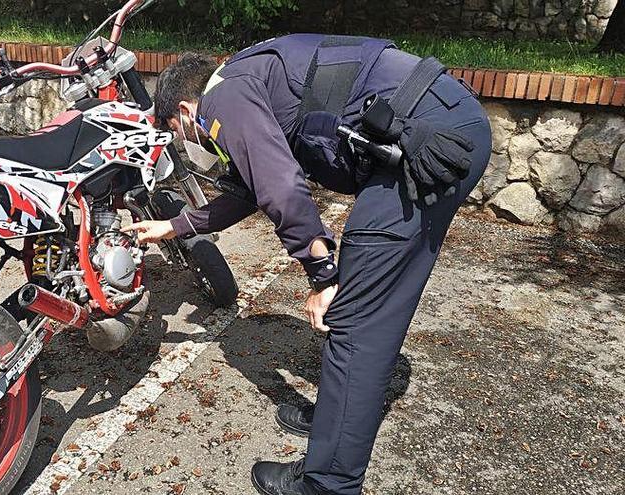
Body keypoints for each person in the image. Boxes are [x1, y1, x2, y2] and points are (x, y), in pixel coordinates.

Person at [123, 34, 491, 495]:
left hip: (432, 139)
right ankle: (336, 421)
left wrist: (323, 276)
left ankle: (327, 483)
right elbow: (250, 190)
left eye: (179, 134)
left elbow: (281, 191)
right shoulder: (247, 77)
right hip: (444, 122)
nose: (188, 141)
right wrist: (175, 227)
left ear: (183, 111)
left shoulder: (223, 99)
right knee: (368, 305)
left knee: (358, 319)